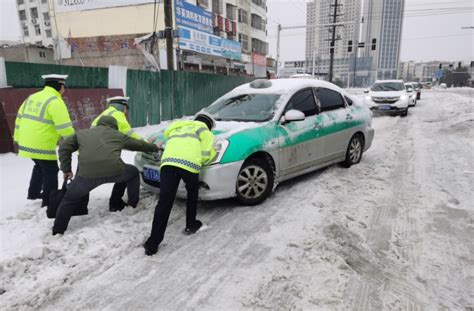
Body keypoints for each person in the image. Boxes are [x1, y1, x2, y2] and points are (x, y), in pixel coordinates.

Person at [52, 116, 160, 235]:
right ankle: (131, 204)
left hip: (86, 176)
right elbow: (139, 145)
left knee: (69, 199)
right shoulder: (117, 134)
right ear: (113, 126)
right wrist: (155, 147)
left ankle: (58, 230)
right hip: (115, 171)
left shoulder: (81, 134)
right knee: (132, 173)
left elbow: (63, 148)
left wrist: (66, 169)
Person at [143, 112, 216, 256]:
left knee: (164, 201)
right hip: (189, 165)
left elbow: (165, 140)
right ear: (208, 125)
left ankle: (152, 243)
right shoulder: (205, 132)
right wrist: (203, 160)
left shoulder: (177, 128)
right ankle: (191, 224)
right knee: (192, 192)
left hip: (168, 163)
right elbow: (206, 155)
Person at [13, 74, 75, 207]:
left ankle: (33, 193)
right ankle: (49, 201)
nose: (64, 89)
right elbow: (64, 127)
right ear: (60, 86)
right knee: (51, 171)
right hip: (41, 144)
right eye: (64, 87)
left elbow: (18, 118)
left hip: (25, 142)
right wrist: (75, 141)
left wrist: (17, 138)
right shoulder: (55, 102)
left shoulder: (32, 97)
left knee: (40, 166)